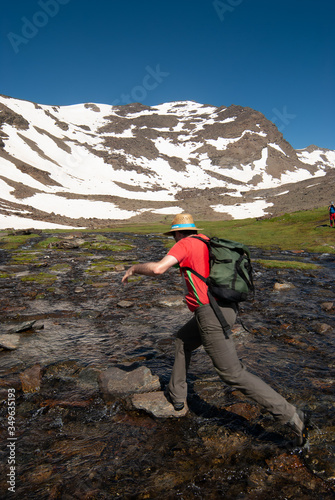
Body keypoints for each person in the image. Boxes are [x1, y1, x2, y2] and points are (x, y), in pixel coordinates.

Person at [122, 213, 308, 446]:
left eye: (173, 235)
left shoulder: (185, 243)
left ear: (178, 233)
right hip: (225, 308)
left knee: (232, 373)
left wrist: (134, 268)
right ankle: (177, 397)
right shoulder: (205, 241)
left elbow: (159, 269)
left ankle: (291, 415)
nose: (173, 240)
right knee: (182, 341)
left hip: (211, 313)